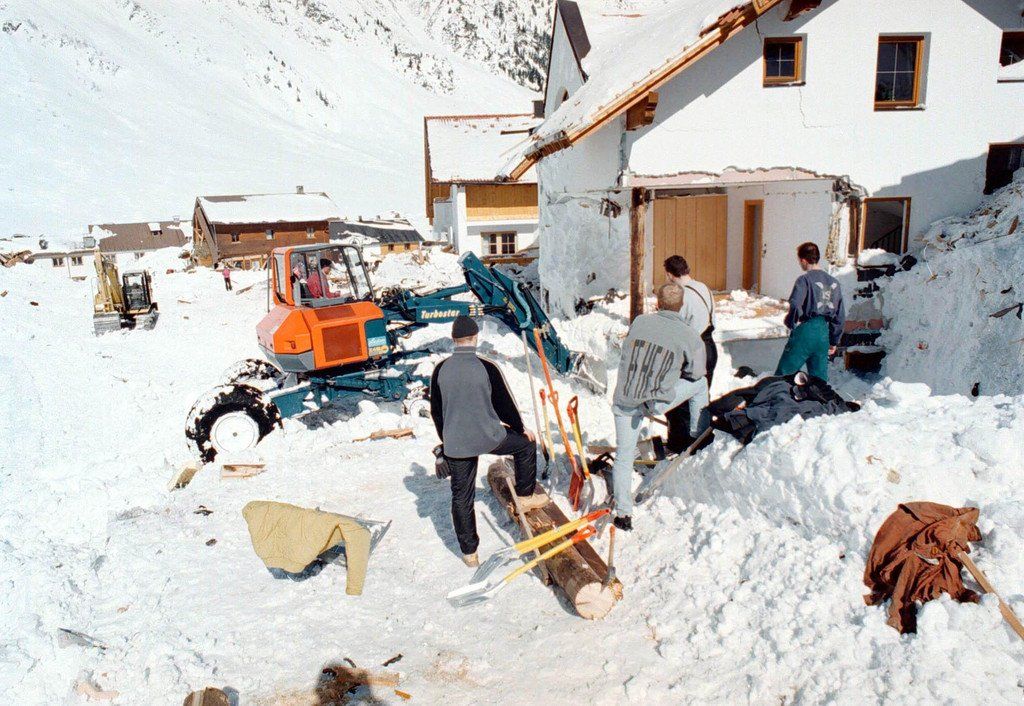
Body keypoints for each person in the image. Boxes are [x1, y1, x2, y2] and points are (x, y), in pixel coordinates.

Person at [430, 315, 545, 566]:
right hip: (490, 437)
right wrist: (520, 428)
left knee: (462, 497)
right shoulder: (487, 366)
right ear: (475, 338)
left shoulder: (440, 369)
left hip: (457, 444)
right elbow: (505, 404)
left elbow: (436, 412)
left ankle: (469, 553)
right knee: (526, 445)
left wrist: (446, 441)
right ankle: (525, 497)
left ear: (454, 340)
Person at [610, 283, 709, 531]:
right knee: (701, 384)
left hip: (625, 398)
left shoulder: (640, 322)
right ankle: (698, 435)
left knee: (623, 456)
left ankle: (623, 514)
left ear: (658, 303)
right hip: (655, 402)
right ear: (682, 306)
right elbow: (696, 372)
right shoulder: (690, 335)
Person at [664, 255, 717, 453]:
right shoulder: (703, 288)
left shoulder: (681, 296)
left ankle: (681, 445)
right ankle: (701, 441)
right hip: (709, 347)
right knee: (701, 397)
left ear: (670, 275)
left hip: (692, 351)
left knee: (682, 400)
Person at [775, 242, 846, 381]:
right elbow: (840, 316)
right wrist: (833, 341)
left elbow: (795, 305)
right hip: (823, 334)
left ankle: (779, 394)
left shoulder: (804, 280)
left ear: (803, 260)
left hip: (806, 331)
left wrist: (791, 323)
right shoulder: (834, 283)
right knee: (819, 381)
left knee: (784, 376)